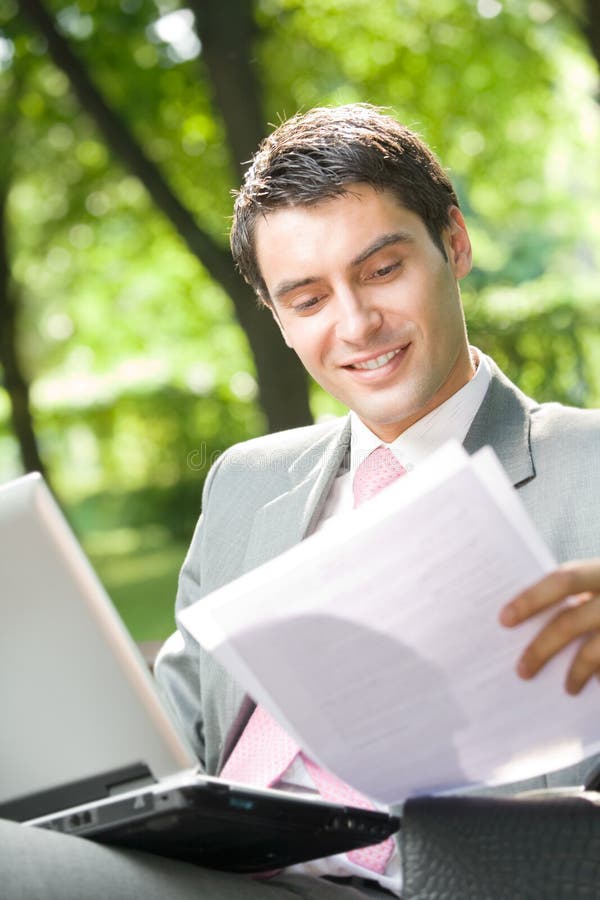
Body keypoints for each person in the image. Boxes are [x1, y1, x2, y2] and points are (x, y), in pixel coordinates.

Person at [2, 103, 599, 899]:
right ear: (278, 318)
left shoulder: (586, 463)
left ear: (454, 243)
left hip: (429, 878)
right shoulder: (247, 482)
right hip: (213, 870)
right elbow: (177, 739)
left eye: (382, 270)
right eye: (308, 299)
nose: (356, 324)